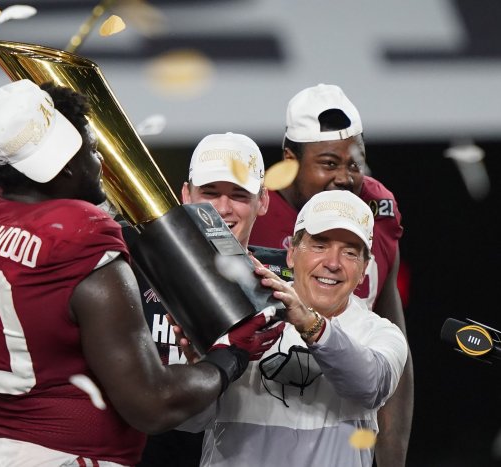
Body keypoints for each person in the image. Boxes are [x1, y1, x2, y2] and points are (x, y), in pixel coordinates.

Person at [0, 79, 284, 466]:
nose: (100, 163)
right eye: (92, 149)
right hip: (72, 456)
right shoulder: (79, 237)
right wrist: (229, 355)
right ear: (63, 166)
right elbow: (153, 405)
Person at [177, 189, 408, 467]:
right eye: (319, 246)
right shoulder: (238, 316)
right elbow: (189, 424)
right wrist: (199, 372)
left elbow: (370, 385)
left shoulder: (382, 333)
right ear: (291, 254)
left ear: (364, 270)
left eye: (349, 253)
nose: (332, 263)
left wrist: (309, 322)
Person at [248, 83, 413, 466]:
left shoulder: (375, 209)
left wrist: (391, 455)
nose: (344, 177)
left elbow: (394, 339)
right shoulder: (249, 209)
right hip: (255, 409)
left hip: (347, 412)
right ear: (290, 159)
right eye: (328, 163)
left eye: (354, 163)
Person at [130, 132, 291, 466]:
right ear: (186, 194)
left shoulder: (289, 280)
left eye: (238, 195)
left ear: (263, 201)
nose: (222, 208)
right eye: (210, 193)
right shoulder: (138, 270)